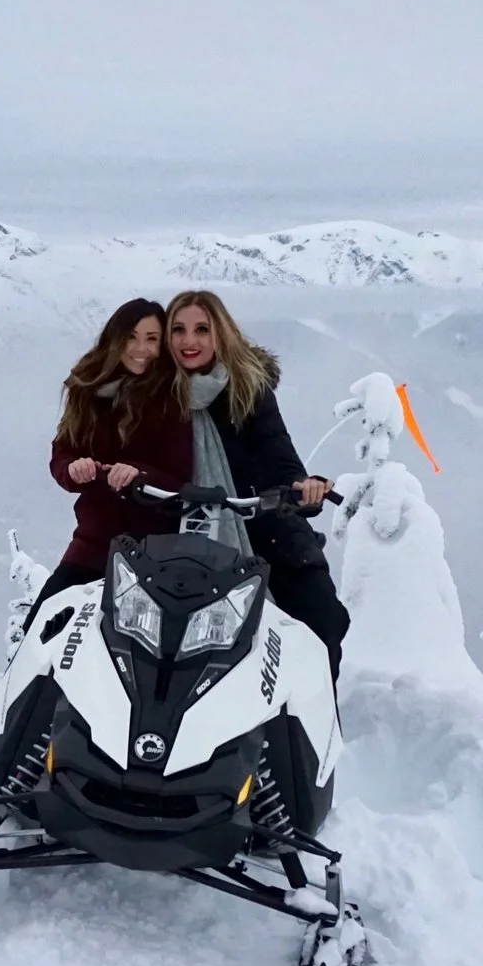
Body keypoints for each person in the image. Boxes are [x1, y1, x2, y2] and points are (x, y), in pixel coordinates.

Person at [163, 288, 351, 680]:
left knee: (322, 620)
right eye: (178, 330)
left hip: (269, 533)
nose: (189, 340)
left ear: (221, 334)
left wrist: (303, 487)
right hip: (187, 538)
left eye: (202, 329)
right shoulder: (157, 399)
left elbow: (279, 455)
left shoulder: (248, 388)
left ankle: (311, 730)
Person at [31, 298, 191, 619]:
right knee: (42, 624)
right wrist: (73, 469)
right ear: (115, 338)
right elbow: (63, 453)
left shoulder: (172, 398)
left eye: (151, 339)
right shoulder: (89, 390)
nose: (141, 348)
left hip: (152, 549)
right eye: (132, 337)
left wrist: (139, 475)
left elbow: (184, 477)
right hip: (94, 540)